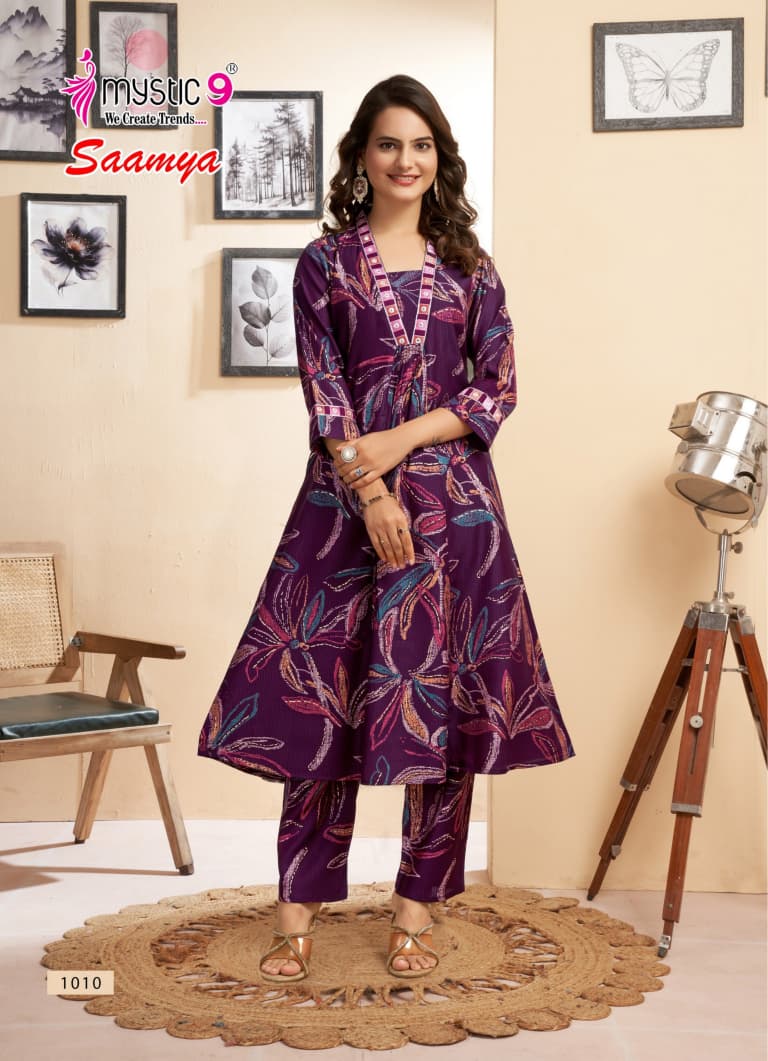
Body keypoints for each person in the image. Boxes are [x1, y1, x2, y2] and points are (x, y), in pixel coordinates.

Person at [198, 74, 575, 983]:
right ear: (361, 157)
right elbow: (324, 393)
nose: (407, 160)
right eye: (389, 144)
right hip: (342, 510)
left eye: (422, 145)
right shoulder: (325, 264)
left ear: (439, 158)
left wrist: (402, 438)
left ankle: (416, 909)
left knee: (444, 714)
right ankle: (296, 911)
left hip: (456, 515)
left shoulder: (472, 266)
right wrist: (371, 490)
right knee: (321, 707)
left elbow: (496, 388)